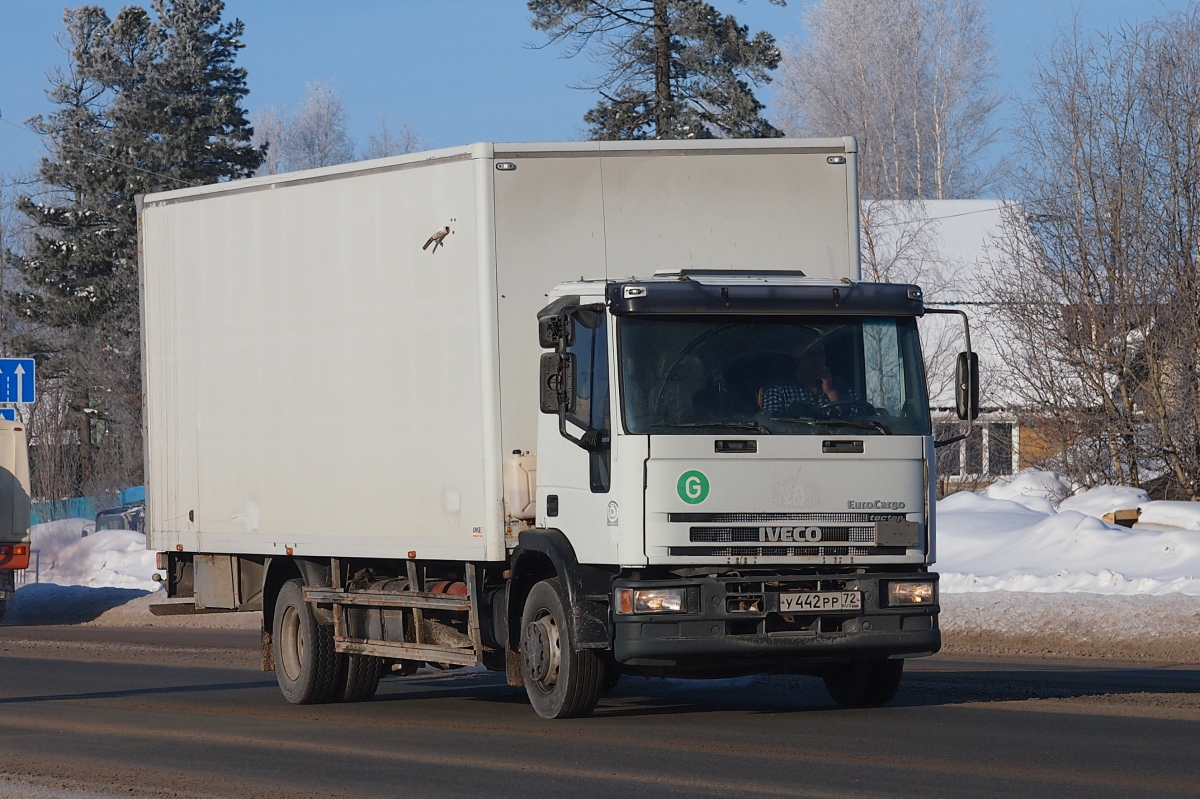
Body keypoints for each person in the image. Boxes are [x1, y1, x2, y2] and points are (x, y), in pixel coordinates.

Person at [757, 338, 856, 414]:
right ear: (797, 358)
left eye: (820, 354)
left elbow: (857, 419)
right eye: (810, 354)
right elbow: (772, 424)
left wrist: (830, 392)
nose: (816, 359)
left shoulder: (841, 387)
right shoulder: (779, 390)